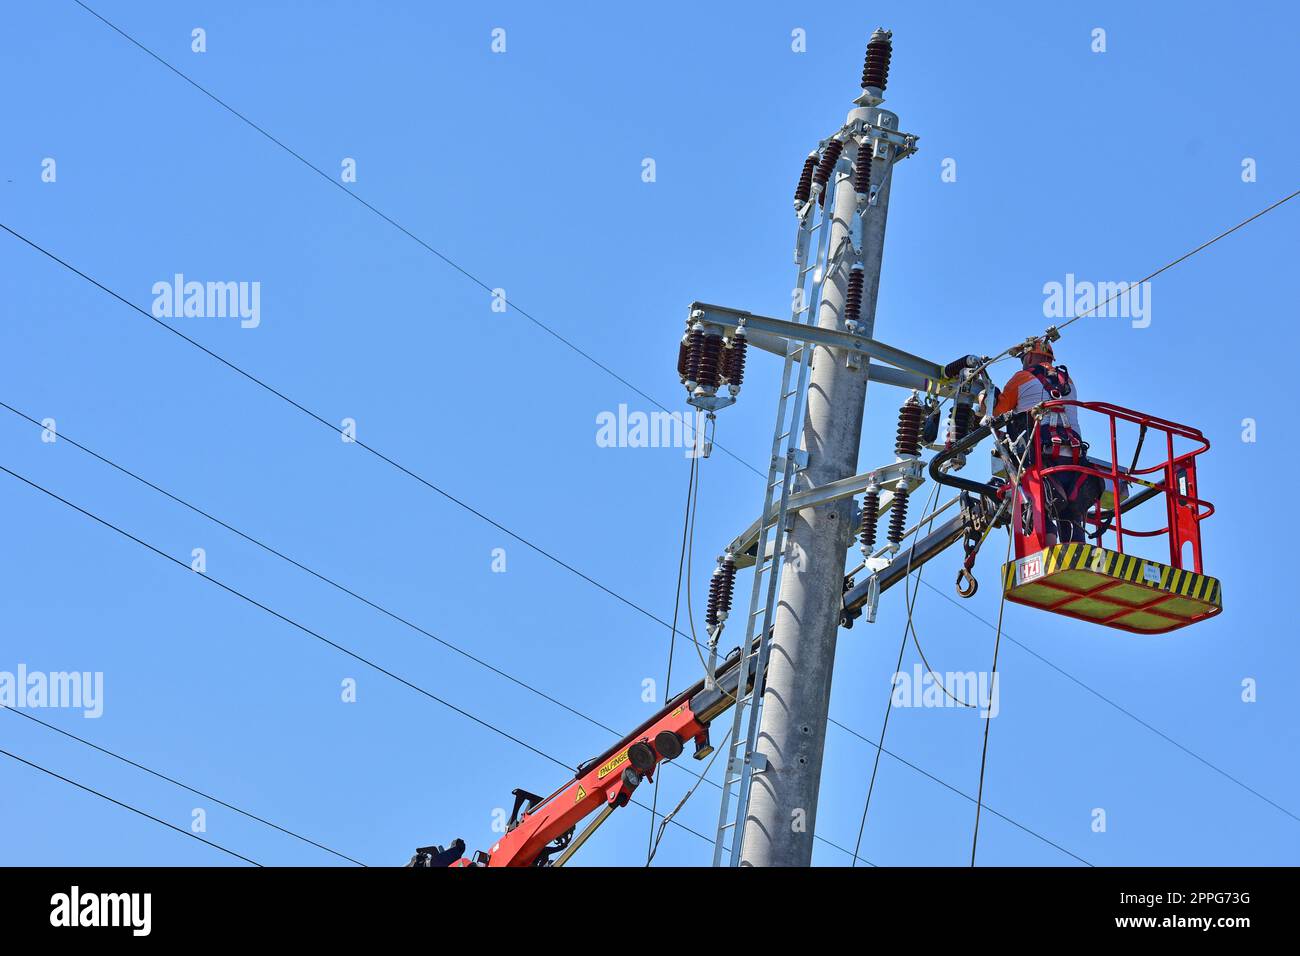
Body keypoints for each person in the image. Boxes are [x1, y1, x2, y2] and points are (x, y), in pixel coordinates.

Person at [992, 337, 1101, 544]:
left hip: (1040, 455)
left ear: (1030, 356)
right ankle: (1077, 556)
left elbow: (997, 411)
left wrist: (984, 397)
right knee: (1071, 511)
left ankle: (1046, 554)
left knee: (1042, 506)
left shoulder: (1022, 377)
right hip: (1075, 456)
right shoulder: (1068, 382)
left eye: (1023, 358)